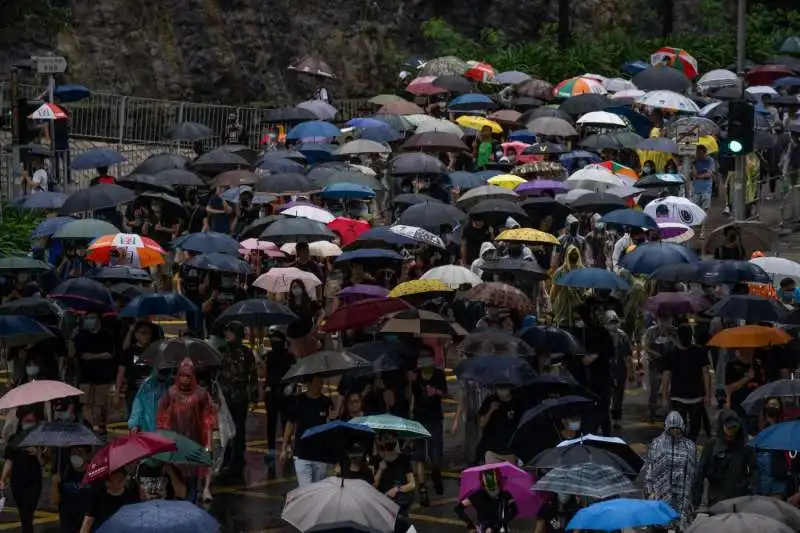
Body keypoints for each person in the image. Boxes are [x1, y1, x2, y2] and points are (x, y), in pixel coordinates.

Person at [156, 358, 216, 502]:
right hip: (176, 440)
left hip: (195, 440)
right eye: (182, 375)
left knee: (192, 476)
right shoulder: (171, 393)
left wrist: (208, 441)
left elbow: (208, 418)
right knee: (176, 475)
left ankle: (191, 503)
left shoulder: (201, 394)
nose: (184, 379)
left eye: (188, 376)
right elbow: (161, 415)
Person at [693, 409, 759, 508]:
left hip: (739, 496)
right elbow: (700, 473)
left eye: (734, 428)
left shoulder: (745, 446)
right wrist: (696, 500)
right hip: (717, 497)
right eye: (728, 428)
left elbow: (754, 470)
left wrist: (753, 492)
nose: (731, 432)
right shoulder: (712, 445)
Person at [643, 411, 696, 531]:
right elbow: (650, 468)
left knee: (680, 525)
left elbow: (692, 472)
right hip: (660, 493)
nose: (675, 431)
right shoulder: (657, 444)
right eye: (672, 428)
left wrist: (692, 495)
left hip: (681, 495)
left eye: (678, 428)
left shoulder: (690, 446)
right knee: (659, 527)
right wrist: (649, 490)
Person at [217, 321, 255, 477]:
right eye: (226, 332)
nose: (227, 335)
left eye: (231, 332)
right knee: (224, 430)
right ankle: (224, 460)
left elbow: (252, 375)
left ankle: (237, 461)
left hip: (239, 396)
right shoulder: (221, 350)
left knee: (238, 430)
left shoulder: (246, 352)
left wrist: (254, 396)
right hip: (224, 397)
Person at [661, 324, 712, 441]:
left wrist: (708, 395)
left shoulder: (699, 352)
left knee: (695, 426)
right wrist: (664, 397)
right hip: (679, 396)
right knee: (679, 426)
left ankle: (688, 444)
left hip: (696, 396)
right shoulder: (671, 354)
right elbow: (666, 376)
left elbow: (706, 373)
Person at [280, 375, 333, 486]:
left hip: (320, 454)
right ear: (308, 384)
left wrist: (333, 418)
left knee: (318, 490)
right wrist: (284, 448)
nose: (320, 385)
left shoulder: (326, 402)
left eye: (321, 382)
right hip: (302, 453)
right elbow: (290, 424)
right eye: (317, 382)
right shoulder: (298, 401)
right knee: (305, 490)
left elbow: (331, 426)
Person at [72, 311, 118, 434]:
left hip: (102, 375)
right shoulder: (81, 335)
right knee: (86, 404)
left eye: (92, 317)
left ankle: (101, 428)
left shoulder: (107, 334)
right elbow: (79, 354)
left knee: (100, 405)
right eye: (87, 318)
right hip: (85, 376)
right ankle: (89, 427)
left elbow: (109, 354)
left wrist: (92, 356)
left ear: (99, 320)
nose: (89, 320)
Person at [411, 351, 447, 506]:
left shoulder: (439, 375)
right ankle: (422, 488)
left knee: (435, 455)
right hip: (419, 418)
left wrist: (437, 393)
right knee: (419, 455)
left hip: (434, 419)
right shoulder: (415, 376)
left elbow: (446, 394)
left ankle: (436, 473)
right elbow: (412, 397)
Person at [0, 407, 43, 533]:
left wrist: (38, 454)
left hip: (33, 480)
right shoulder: (14, 438)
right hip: (17, 480)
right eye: (27, 419)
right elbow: (9, 460)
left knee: (27, 514)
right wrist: (3, 478)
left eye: (32, 419)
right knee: (23, 514)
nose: (29, 422)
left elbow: (46, 463)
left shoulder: (39, 438)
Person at [264, 328, 295, 460]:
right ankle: (271, 447)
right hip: (272, 392)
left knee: (286, 420)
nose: (274, 343)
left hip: (285, 391)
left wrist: (291, 386)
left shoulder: (290, 357)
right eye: (272, 340)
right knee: (271, 421)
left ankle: (287, 445)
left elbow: (294, 374)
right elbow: (264, 374)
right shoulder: (269, 356)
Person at [454, 468, 518, 532]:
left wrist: (470, 524)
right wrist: (498, 524)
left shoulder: (477, 495)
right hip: (500, 528)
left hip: (483, 529)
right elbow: (514, 512)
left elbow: (458, 508)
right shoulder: (505, 495)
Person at [640, 314, 677, 423]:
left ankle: (668, 412)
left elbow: (679, 345)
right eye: (662, 318)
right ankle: (652, 412)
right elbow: (645, 346)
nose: (664, 321)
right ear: (657, 319)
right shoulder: (651, 331)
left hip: (670, 366)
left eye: (667, 318)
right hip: (655, 365)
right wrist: (653, 353)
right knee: (654, 390)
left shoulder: (674, 331)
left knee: (670, 390)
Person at [79, 469, 140, 533]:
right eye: (111, 482)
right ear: (106, 481)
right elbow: (88, 522)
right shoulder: (97, 497)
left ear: (125, 479)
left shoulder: (132, 497)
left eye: (119, 481)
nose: (115, 486)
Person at [51, 446, 93, 533]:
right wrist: (55, 484)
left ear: (88, 456)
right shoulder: (64, 473)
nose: (76, 456)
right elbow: (55, 500)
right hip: (68, 523)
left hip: (88, 524)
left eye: (80, 453)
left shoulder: (94, 474)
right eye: (73, 453)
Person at [477, 383, 520, 464]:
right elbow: (481, 423)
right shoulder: (490, 400)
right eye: (499, 388)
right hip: (491, 448)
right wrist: (491, 410)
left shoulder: (517, 401)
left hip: (510, 448)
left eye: (505, 388)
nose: (502, 391)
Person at [756, 398, 791, 498]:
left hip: (778, 476)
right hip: (762, 477)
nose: (772, 408)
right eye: (770, 405)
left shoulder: (784, 428)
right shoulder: (756, 426)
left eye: (775, 405)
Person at [374, 432, 416, 515]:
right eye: (386, 438)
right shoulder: (377, 461)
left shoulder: (404, 459)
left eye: (391, 438)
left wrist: (397, 489)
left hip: (399, 501)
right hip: (382, 501)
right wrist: (380, 470)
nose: (389, 440)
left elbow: (412, 484)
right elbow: (373, 486)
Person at [606, 310, 632, 431]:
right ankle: (605, 418)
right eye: (611, 322)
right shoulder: (602, 335)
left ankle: (616, 419)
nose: (614, 325)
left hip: (620, 370)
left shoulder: (623, 336)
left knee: (618, 396)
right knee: (606, 395)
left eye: (615, 322)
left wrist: (631, 372)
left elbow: (627, 356)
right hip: (605, 370)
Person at [725, 348, 766, 423]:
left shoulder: (757, 365)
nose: (750, 351)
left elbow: (763, 389)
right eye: (747, 348)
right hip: (739, 410)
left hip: (756, 410)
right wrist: (747, 378)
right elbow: (730, 388)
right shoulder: (731, 365)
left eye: (752, 348)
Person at [691, 145, 715, 210]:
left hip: (707, 188)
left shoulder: (710, 160)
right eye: (697, 153)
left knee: (705, 208)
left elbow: (709, 175)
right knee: (695, 208)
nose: (699, 155)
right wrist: (693, 164)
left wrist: (699, 176)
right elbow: (694, 175)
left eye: (700, 154)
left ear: (704, 153)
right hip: (696, 188)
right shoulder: (694, 162)